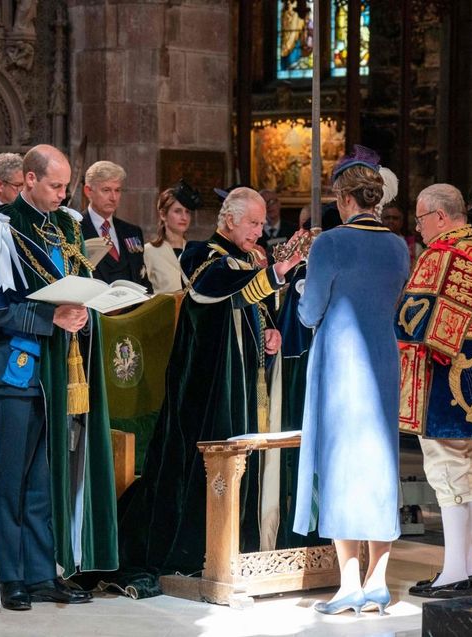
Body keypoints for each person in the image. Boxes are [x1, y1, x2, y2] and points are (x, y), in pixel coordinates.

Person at [112, 187, 303, 597]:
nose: (259, 229)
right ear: (230, 220)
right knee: (201, 465)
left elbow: (258, 305)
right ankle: (198, 551)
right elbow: (215, 287)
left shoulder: (250, 258)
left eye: (260, 222)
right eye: (252, 222)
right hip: (206, 384)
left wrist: (270, 331)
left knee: (247, 453)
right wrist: (274, 273)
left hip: (245, 380)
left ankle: (242, 547)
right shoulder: (201, 254)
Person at [0, 144, 116, 611]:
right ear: (27, 180)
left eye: (67, 186)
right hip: (18, 368)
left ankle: (44, 571)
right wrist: (50, 320)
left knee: (46, 476)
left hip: (61, 368)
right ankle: (9, 575)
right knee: (11, 478)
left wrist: (86, 310)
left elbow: (75, 285)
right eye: (56, 186)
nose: (64, 195)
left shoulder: (66, 224)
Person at [293, 147, 410, 616]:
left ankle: (348, 584)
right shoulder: (398, 245)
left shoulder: (330, 244)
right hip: (382, 354)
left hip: (340, 359)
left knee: (342, 462)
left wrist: (303, 290)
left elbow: (309, 311)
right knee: (380, 461)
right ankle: (379, 579)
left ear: (343, 199)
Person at [399, 183, 472, 599]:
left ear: (440, 216)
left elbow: (417, 319)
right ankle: (465, 568)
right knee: (466, 473)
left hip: (447, 377)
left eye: (421, 219)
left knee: (448, 473)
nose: (419, 228)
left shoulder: (446, 253)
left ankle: (456, 573)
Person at [79, 160, 150, 290]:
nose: (113, 197)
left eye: (117, 190)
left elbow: (143, 279)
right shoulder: (74, 229)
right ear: (88, 191)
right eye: (106, 190)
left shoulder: (132, 231)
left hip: (134, 307)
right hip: (94, 308)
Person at [143, 180, 201, 293]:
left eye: (187, 212)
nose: (184, 217)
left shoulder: (196, 253)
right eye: (178, 211)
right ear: (163, 215)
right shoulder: (150, 251)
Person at [257, 189, 295, 260]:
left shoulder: (293, 229)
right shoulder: (254, 233)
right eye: (264, 203)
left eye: (272, 202)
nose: (269, 206)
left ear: (279, 204)